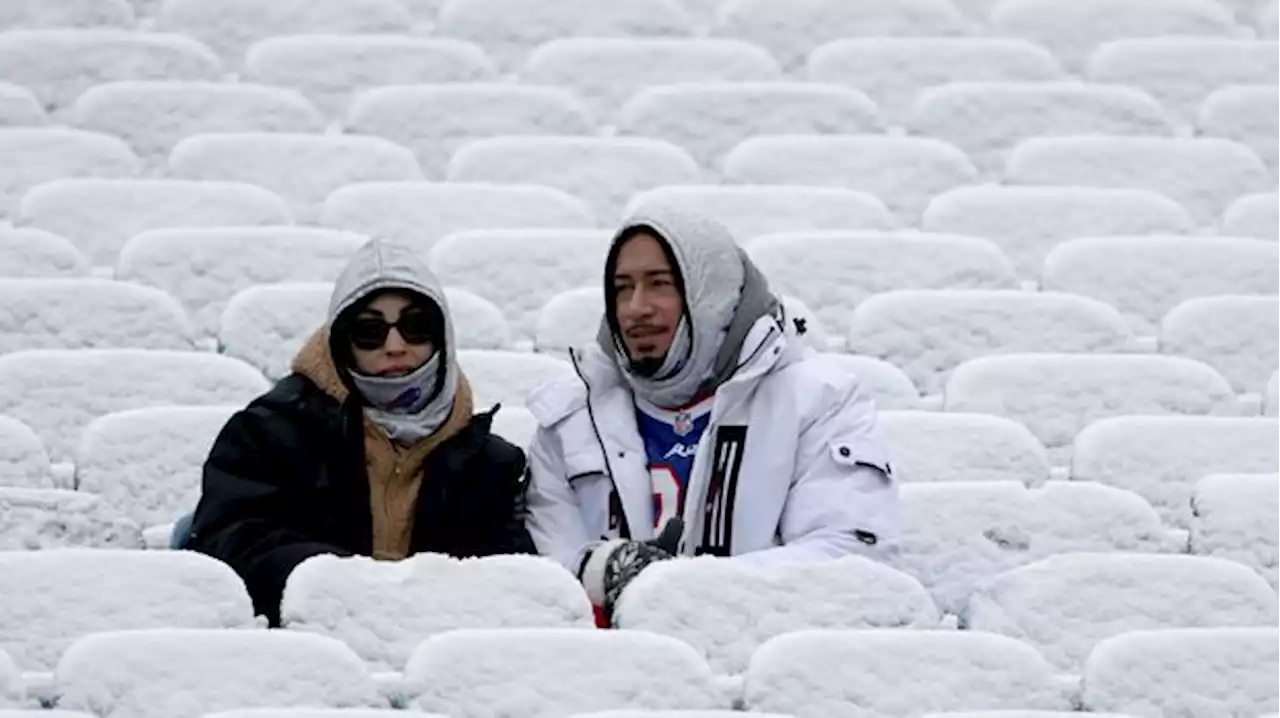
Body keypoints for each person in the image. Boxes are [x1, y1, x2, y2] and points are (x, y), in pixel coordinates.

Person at [524, 199, 900, 623]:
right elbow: (549, 583)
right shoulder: (570, 418)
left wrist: (683, 590)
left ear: (713, 295)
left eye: (660, 284)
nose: (635, 308)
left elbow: (849, 555)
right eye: (622, 288)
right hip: (610, 671)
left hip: (761, 654)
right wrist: (602, 572)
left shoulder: (818, 400)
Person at [184, 237, 534, 626]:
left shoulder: (491, 464)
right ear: (341, 343)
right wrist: (348, 587)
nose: (395, 346)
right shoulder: (267, 435)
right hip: (302, 642)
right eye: (370, 331)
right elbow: (232, 545)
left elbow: (504, 584)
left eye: (416, 326)